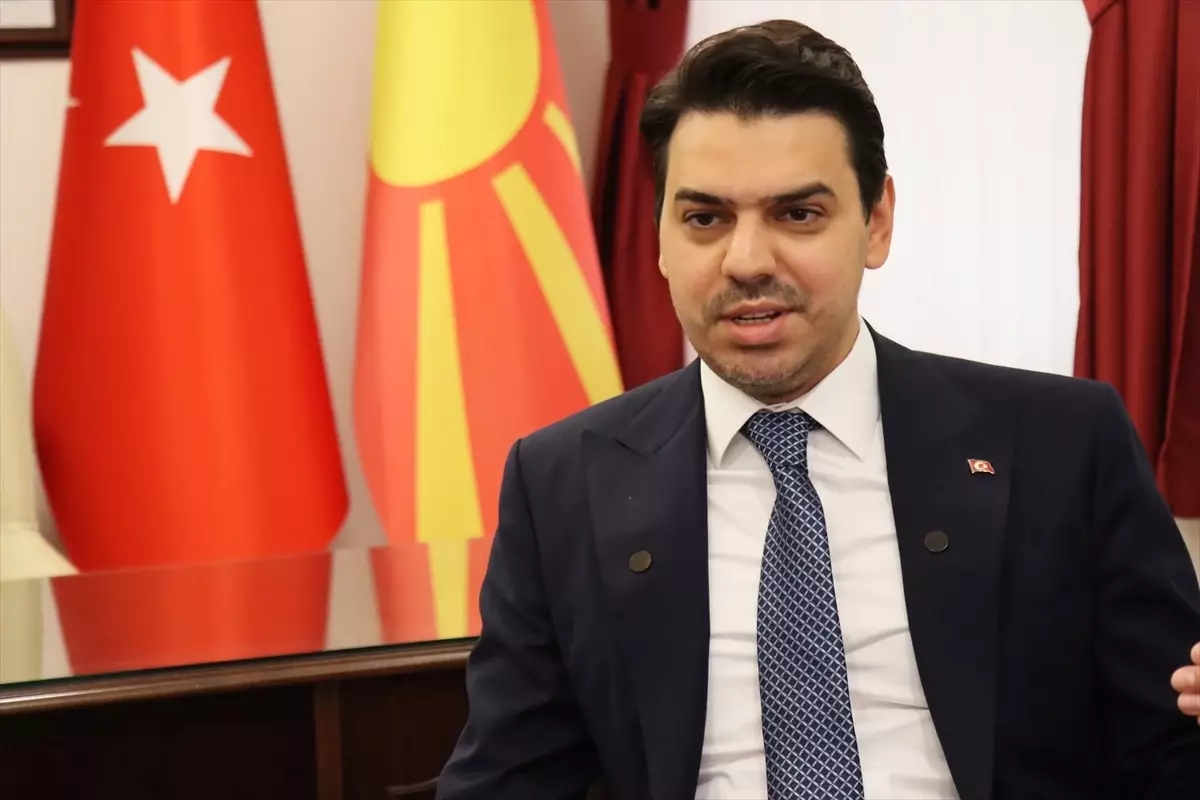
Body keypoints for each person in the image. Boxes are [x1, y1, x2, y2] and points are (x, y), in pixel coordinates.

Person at [436, 19, 1200, 800]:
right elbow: (504, 780)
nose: (746, 261)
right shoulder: (562, 482)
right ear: (660, 236)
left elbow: (1173, 750)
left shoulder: (1062, 444)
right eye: (705, 218)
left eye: (797, 214)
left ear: (876, 222)